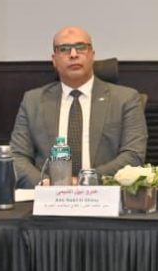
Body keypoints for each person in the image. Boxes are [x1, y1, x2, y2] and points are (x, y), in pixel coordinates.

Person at [9, 26, 148, 188]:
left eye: (81, 47)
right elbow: (17, 156)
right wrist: (46, 184)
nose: (73, 54)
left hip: (103, 194)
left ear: (92, 55)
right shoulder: (33, 101)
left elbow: (133, 155)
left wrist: (85, 181)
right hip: (48, 195)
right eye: (64, 49)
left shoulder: (125, 99)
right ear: (54, 60)